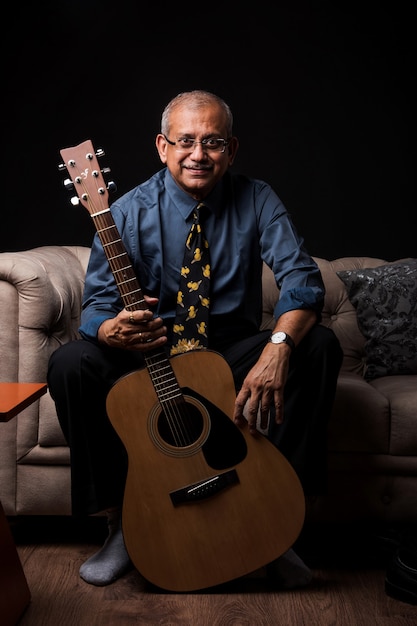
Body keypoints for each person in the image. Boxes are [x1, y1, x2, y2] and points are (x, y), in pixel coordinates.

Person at [48, 89, 343, 589]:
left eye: (213, 142)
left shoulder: (258, 198)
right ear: (162, 146)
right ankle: (123, 522)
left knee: (319, 346)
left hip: (228, 351)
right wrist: (108, 329)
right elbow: (96, 306)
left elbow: (302, 281)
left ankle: (279, 521)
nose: (198, 155)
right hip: (152, 355)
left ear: (232, 149)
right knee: (71, 363)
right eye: (186, 141)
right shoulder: (123, 210)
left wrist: (277, 348)